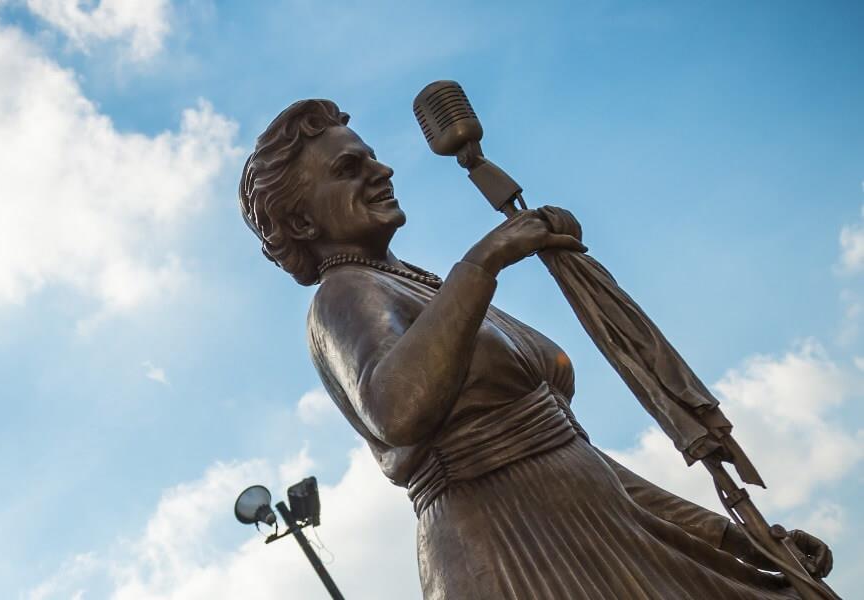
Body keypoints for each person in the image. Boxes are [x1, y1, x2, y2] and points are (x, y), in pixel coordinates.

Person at [240, 99, 834, 599]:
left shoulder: (421, 287)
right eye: (350, 167)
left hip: (595, 534)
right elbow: (399, 408)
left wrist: (740, 538)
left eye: (372, 155)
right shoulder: (345, 294)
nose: (382, 169)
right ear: (301, 224)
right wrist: (486, 260)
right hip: (512, 549)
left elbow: (581, 463)